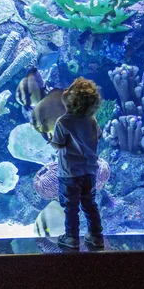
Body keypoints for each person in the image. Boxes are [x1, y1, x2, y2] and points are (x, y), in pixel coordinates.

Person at [48, 77, 104, 250]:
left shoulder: (63, 121)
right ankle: (96, 236)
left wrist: (51, 139)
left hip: (69, 173)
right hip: (89, 171)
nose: (64, 91)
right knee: (89, 203)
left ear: (72, 101)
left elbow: (58, 144)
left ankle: (72, 237)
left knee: (70, 206)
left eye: (68, 90)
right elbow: (99, 136)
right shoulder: (92, 120)